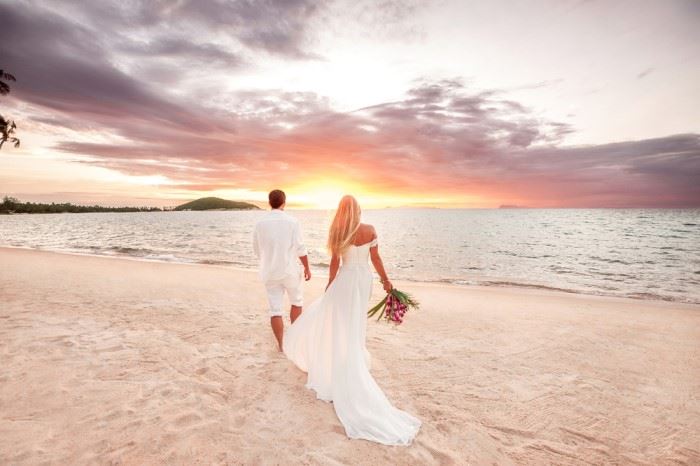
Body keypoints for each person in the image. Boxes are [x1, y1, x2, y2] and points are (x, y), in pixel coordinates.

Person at [284, 195, 421, 445]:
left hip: (345, 280)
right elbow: (376, 259)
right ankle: (353, 356)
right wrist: (386, 281)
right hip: (362, 280)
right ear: (358, 210)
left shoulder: (338, 231)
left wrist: (329, 287)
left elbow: (335, 264)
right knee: (356, 322)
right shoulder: (370, 230)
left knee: (341, 322)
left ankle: (345, 358)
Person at [253, 189, 311, 351]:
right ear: (284, 202)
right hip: (290, 270)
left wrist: (268, 261)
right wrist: (307, 267)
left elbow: (257, 249)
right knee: (297, 302)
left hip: (270, 271)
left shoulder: (260, 224)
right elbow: (300, 248)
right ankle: (295, 340)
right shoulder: (292, 222)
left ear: (270, 202)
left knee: (275, 310)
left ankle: (281, 345)